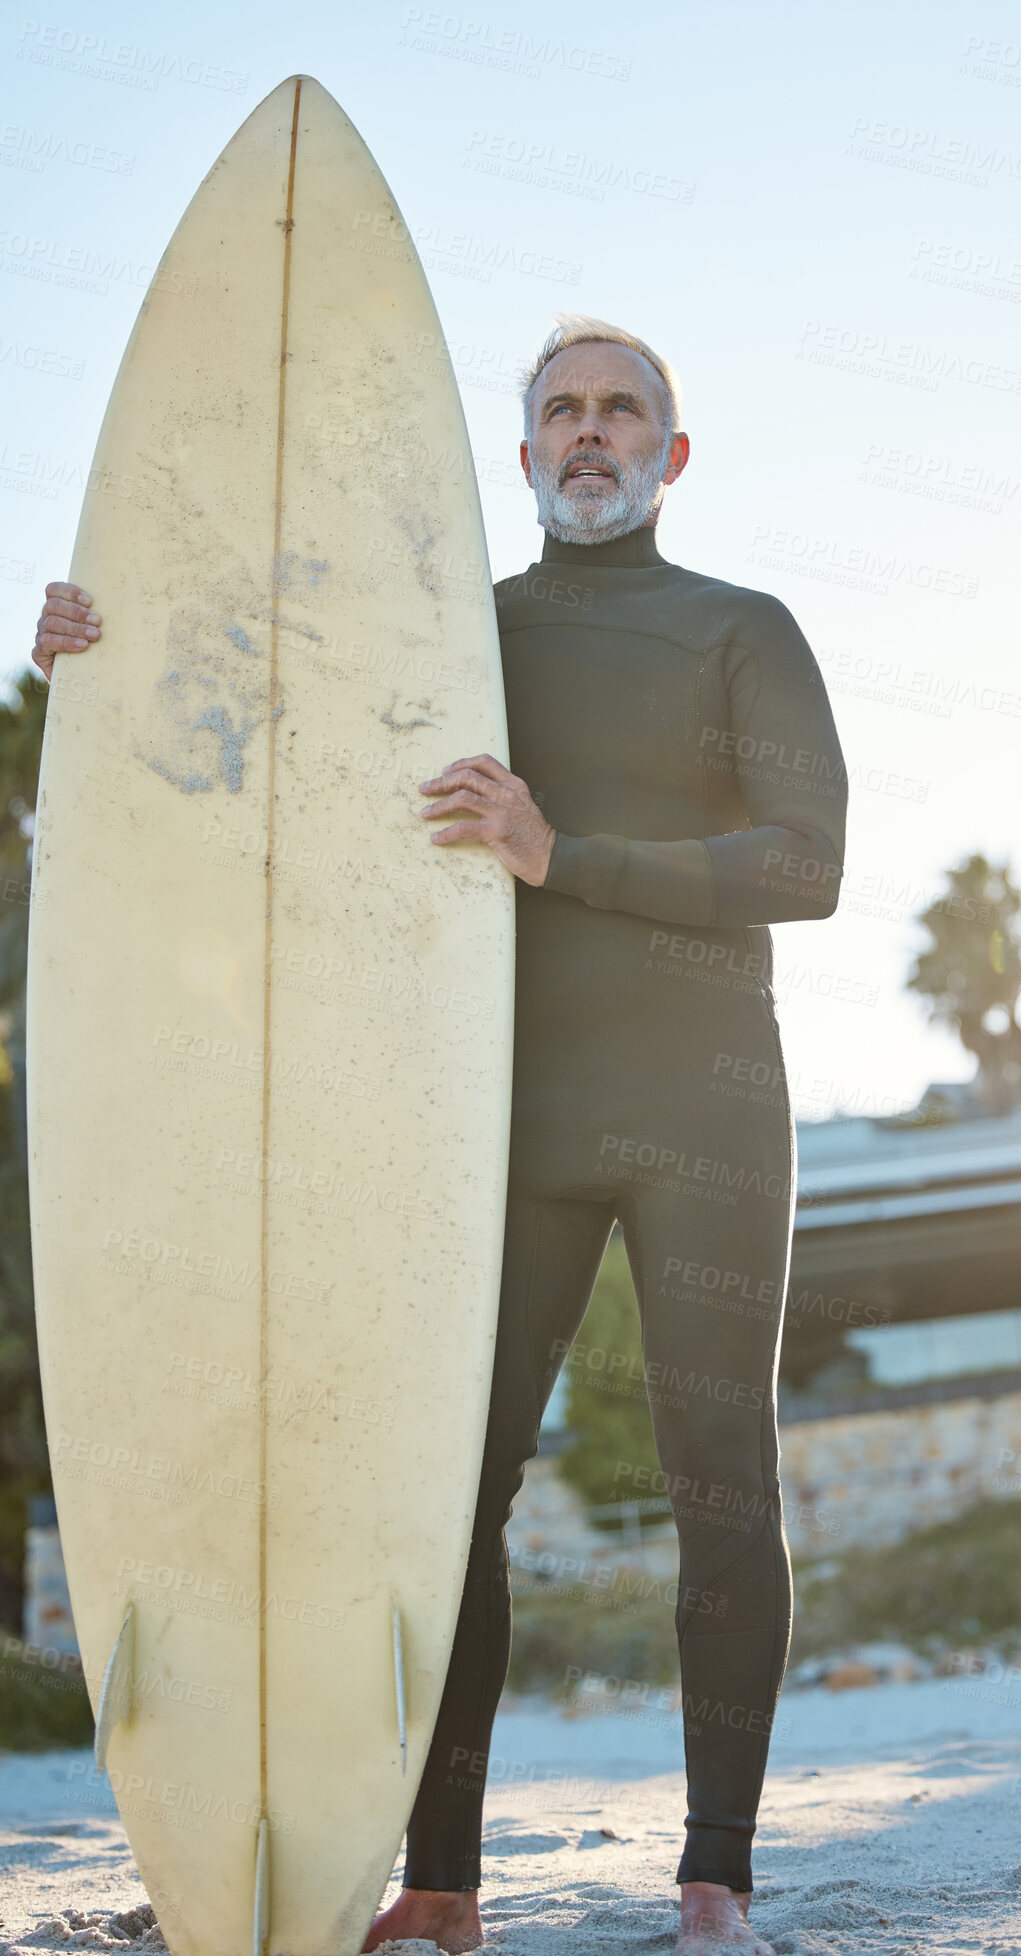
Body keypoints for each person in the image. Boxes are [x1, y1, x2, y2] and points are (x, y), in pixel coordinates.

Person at [33, 315, 846, 1956]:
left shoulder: (736, 630)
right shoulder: (452, 648)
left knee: (718, 1483)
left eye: (624, 411)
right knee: (446, 1491)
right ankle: (446, 1882)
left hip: (706, 1113)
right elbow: (268, 759)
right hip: (501, 1123)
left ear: (671, 456)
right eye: (562, 411)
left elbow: (803, 863)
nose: (592, 433)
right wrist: (97, 662)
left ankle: (715, 1881)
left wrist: (565, 853)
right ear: (523, 451)